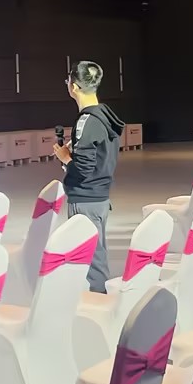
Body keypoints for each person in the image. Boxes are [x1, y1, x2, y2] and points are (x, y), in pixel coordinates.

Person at [52, 60, 123, 294]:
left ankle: (97, 303)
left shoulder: (86, 121)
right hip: (100, 197)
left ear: (74, 87)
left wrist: (65, 158)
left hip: (85, 199)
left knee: (90, 260)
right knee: (96, 254)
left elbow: (83, 168)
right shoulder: (104, 116)